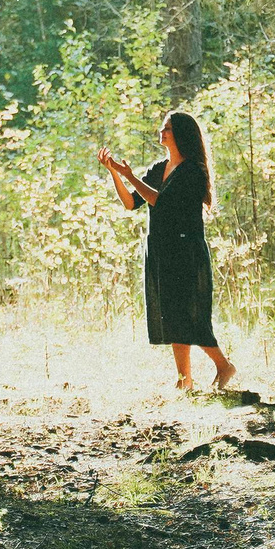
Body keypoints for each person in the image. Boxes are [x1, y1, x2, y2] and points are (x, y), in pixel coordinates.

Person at [99, 110, 237, 392]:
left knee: (191, 314)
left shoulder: (193, 171)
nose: (162, 132)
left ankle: (224, 366)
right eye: (163, 127)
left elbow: (160, 202)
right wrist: (116, 174)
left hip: (186, 250)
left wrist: (131, 175)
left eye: (168, 129)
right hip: (161, 248)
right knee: (172, 314)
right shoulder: (159, 168)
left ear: (181, 135)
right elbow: (131, 203)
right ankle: (184, 379)